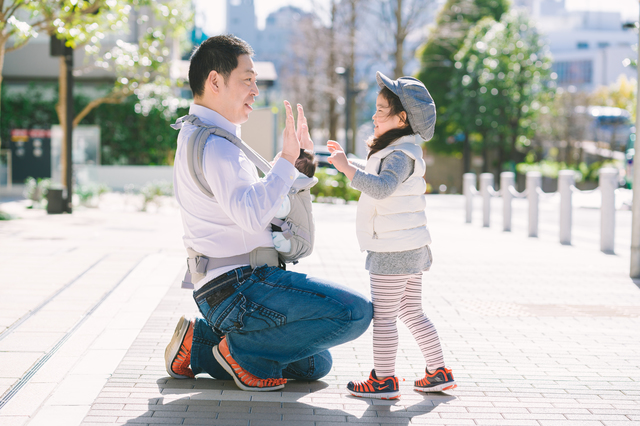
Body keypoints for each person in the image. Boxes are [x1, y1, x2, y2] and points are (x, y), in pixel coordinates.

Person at [164, 34, 372, 392]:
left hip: (224, 288)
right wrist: (285, 161)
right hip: (241, 287)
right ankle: (240, 351)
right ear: (215, 81)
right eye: (247, 80)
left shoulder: (198, 134)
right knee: (355, 313)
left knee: (315, 363)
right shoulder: (216, 146)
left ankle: (200, 346)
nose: (255, 90)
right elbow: (251, 215)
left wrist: (293, 167)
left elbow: (250, 203)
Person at [326, 71, 456, 399]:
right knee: (411, 311)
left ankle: (383, 380)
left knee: (384, 318)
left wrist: (347, 169)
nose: (373, 115)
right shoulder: (402, 150)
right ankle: (438, 371)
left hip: (392, 251)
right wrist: (347, 163)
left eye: (381, 110)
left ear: (401, 118)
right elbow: (381, 176)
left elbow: (382, 188)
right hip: (410, 248)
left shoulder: (399, 155)